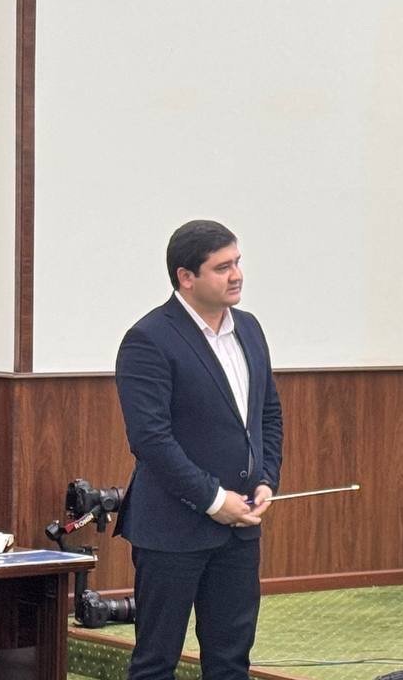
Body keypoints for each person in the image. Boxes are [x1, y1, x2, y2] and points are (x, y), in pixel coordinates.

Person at [114, 220, 284, 680]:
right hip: (172, 529)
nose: (237, 275)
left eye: (237, 262)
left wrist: (266, 478)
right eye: (222, 267)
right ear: (186, 277)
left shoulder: (249, 329)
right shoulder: (149, 338)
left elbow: (267, 413)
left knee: (231, 661)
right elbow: (150, 439)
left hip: (240, 528)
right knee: (156, 662)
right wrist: (212, 499)